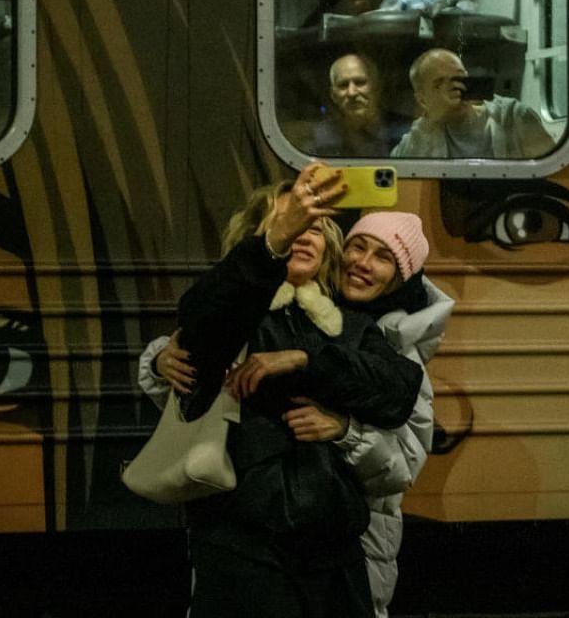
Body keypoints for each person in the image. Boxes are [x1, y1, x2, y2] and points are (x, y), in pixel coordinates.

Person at [142, 211, 454, 618]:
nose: (362, 262)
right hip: (252, 545)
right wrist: (158, 361)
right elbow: (200, 331)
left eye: (383, 257)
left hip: (354, 544)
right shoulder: (281, 313)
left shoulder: (385, 343)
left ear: (401, 277)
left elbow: (401, 465)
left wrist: (344, 430)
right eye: (358, 246)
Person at [390, 47, 556, 159]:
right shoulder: (420, 135)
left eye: (459, 77)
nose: (455, 87)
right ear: (422, 99)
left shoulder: (514, 117)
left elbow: (551, 173)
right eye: (439, 83)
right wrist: (431, 122)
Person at [305, 53, 411, 157]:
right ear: (333, 95)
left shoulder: (406, 132)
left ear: (377, 87)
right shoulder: (321, 138)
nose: (352, 93)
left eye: (360, 82)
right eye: (343, 85)